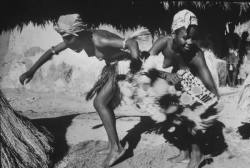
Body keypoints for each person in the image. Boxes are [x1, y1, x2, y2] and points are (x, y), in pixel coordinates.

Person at [19, 13, 143, 167]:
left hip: (124, 65)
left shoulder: (99, 39)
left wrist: (136, 62)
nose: (65, 42)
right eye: (64, 38)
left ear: (78, 34)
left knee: (100, 103)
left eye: (68, 38)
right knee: (103, 104)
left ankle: (116, 148)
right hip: (112, 66)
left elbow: (131, 43)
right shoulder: (76, 39)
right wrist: (31, 71)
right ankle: (114, 145)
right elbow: (52, 51)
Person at [147, 9, 220, 168]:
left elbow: (211, 88)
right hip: (175, 81)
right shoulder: (164, 42)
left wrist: (208, 107)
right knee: (176, 118)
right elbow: (145, 67)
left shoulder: (196, 56)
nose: (190, 42)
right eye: (185, 37)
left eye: (193, 38)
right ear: (173, 34)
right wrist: (167, 77)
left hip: (194, 87)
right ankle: (185, 152)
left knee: (191, 117)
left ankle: (197, 154)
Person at [225, 22, 241, 87]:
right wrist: (228, 49)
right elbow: (224, 45)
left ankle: (233, 82)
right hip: (228, 54)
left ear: (234, 28)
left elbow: (239, 43)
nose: (231, 28)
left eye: (232, 27)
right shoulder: (226, 36)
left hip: (235, 54)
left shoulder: (236, 35)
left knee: (235, 68)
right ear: (229, 28)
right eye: (230, 27)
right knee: (228, 68)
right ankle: (229, 83)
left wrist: (236, 50)